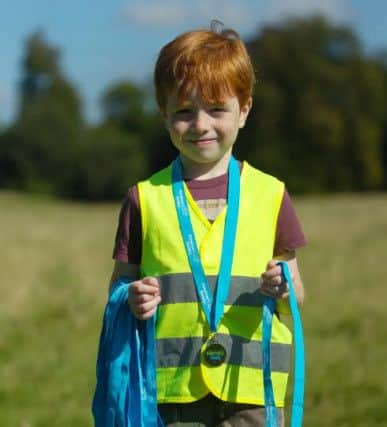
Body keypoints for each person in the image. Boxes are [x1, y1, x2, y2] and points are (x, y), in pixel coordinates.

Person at [110, 21, 307, 427]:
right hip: (170, 391)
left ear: (244, 111)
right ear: (164, 115)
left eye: (217, 109)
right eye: (184, 111)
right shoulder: (144, 199)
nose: (200, 124)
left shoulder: (271, 195)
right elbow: (120, 285)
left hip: (253, 391)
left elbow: (296, 296)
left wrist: (284, 286)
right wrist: (130, 298)